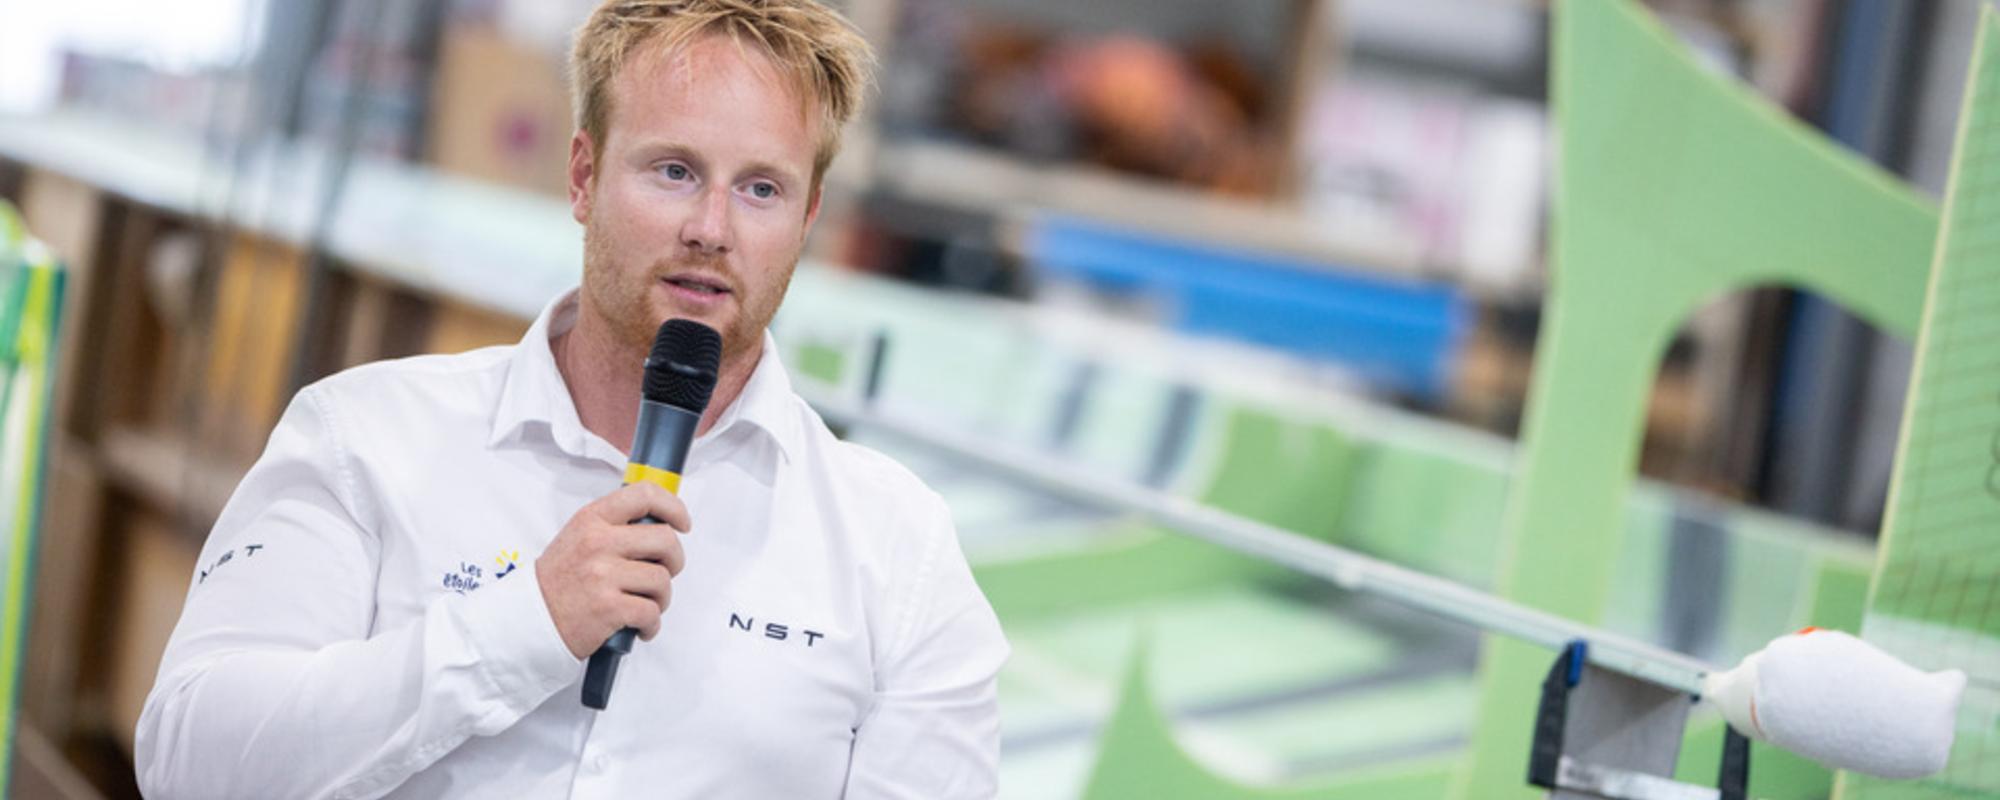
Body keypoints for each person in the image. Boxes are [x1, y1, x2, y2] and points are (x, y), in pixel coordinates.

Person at [134, 1, 1009, 797]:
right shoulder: (364, 435)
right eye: (674, 170)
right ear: (583, 177)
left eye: (760, 189)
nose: (712, 228)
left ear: (807, 219)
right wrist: (524, 624)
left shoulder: (897, 550)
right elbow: (187, 762)